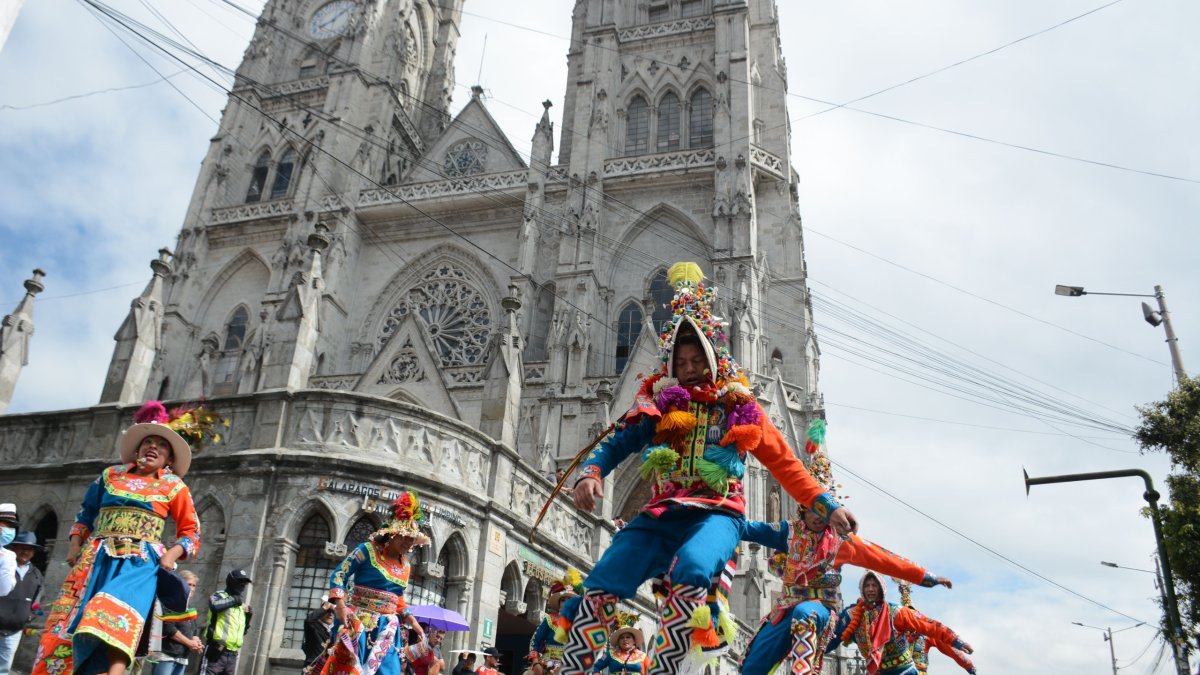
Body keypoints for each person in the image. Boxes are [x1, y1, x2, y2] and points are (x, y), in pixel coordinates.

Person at [559, 263, 856, 674]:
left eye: (696, 359)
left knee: (694, 568)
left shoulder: (741, 409)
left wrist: (826, 504)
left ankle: (665, 667)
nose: (688, 367)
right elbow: (615, 442)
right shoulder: (658, 406)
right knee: (603, 580)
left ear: (713, 360)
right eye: (680, 361)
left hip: (718, 513)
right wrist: (591, 473)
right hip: (661, 513)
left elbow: (787, 465)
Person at [738, 419, 954, 675]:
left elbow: (885, 559)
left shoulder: (842, 542)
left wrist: (926, 577)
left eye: (823, 511)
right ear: (803, 509)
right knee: (752, 665)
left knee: (805, 614)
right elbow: (748, 528)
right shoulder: (788, 532)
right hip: (785, 608)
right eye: (813, 510)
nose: (818, 517)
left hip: (820, 610)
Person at [33, 401, 217, 675]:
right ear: (137, 449)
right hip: (96, 560)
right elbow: (85, 513)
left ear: (169, 459)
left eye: (162, 445)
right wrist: (74, 544)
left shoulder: (173, 486)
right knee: (73, 621)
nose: (153, 447)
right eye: (148, 441)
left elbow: (191, 530)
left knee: (115, 614)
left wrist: (172, 554)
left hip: (140, 564)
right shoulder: (110, 476)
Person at [311, 493, 428, 675]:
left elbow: (398, 598)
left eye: (411, 538)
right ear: (392, 534)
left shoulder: (405, 565)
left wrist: (412, 622)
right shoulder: (366, 550)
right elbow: (339, 575)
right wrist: (340, 606)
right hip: (358, 622)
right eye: (404, 536)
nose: (408, 542)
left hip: (388, 629)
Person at [827, 572, 976, 675]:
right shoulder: (852, 615)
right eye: (867, 585)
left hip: (904, 671)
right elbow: (833, 635)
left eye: (874, 585)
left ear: (882, 589)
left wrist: (957, 641)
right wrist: (816, 651)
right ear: (862, 589)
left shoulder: (897, 613)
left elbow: (930, 625)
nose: (871, 589)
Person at [0, 530, 45, 674]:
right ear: (14, 548)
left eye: (30, 549)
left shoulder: (36, 574)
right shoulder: (4, 565)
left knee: (3, 668)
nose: (26, 552)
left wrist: (29, 616)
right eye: (22, 548)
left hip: (14, 631)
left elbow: (37, 600)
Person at [527, 569, 584, 675]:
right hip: (548, 666)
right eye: (563, 600)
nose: (566, 603)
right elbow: (535, 642)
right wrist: (536, 663)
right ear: (559, 603)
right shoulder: (549, 619)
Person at [147, 570, 203, 675]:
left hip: (182, 657)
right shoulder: (168, 602)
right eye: (189, 584)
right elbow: (169, 628)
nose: (191, 588)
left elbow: (194, 629)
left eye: (194, 585)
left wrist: (196, 640)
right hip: (166, 654)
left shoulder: (189, 607)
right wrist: (189, 643)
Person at [203, 569, 253, 675]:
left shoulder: (242, 606)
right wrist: (234, 600)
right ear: (231, 581)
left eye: (244, 583)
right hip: (216, 650)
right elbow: (214, 605)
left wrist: (248, 618)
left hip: (232, 655)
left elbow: (243, 631)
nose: (242, 585)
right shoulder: (219, 595)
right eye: (240, 581)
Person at [302, 597, 335, 665]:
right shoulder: (314, 626)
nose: (331, 614)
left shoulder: (332, 631)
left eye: (333, 612)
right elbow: (309, 620)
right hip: (313, 666)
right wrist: (324, 608)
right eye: (328, 611)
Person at [0, 505, 19, 600]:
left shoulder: (9, 556)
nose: (10, 530)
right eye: (8, 525)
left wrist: (4, 560)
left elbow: (4, 590)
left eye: (12, 527)